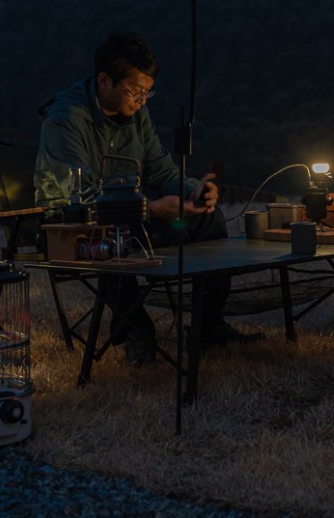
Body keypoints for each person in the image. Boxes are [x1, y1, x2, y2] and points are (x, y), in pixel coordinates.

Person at [34, 32, 262, 365]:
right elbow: (78, 196)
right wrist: (151, 208)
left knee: (208, 218)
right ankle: (135, 331)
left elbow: (161, 170)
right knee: (113, 234)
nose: (142, 100)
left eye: (146, 92)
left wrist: (192, 191)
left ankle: (209, 326)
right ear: (104, 80)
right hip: (71, 224)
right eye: (135, 91)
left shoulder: (136, 115)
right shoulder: (66, 119)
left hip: (134, 214)